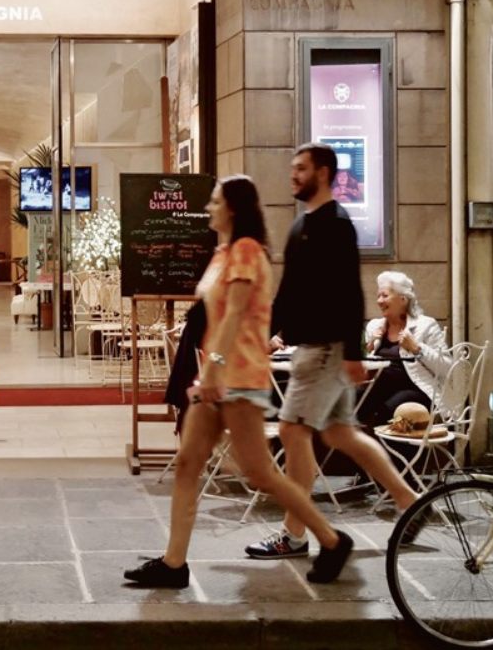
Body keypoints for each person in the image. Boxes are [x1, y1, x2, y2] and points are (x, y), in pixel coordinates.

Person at [124, 175, 354, 588]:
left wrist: (211, 370)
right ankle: (174, 563)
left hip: (240, 379)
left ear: (233, 207)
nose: (208, 207)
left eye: (214, 201)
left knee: (261, 473)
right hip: (217, 378)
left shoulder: (247, 251)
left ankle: (331, 539)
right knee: (188, 465)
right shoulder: (223, 253)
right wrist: (209, 372)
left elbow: (233, 315)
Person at [244, 143, 418, 561]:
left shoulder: (337, 224)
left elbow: (349, 292)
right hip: (313, 348)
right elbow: (287, 294)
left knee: (292, 431)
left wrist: (353, 353)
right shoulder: (299, 225)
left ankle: (296, 533)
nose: (293, 175)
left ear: (322, 173)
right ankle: (411, 503)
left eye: (301, 169)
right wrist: (263, 335)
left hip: (325, 351)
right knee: (341, 434)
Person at [358, 271, 451, 428]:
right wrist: (370, 346)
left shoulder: (426, 325)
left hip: (418, 389)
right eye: (378, 296)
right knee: (352, 399)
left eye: (384, 295)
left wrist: (417, 348)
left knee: (386, 411)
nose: (379, 301)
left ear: (403, 299)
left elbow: (447, 368)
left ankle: (377, 449)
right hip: (380, 389)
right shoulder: (375, 326)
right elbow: (367, 367)